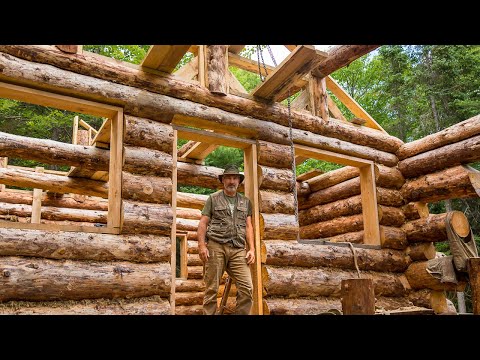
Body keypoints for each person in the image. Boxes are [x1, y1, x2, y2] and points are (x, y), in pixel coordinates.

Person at [197, 164, 255, 315]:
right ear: (223, 181)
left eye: (235, 178)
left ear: (239, 181)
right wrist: (202, 246)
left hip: (237, 249)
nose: (231, 181)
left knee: (247, 287)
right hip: (216, 246)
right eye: (228, 178)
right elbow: (203, 223)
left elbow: (249, 226)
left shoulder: (245, 202)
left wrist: (252, 249)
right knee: (212, 289)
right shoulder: (213, 198)